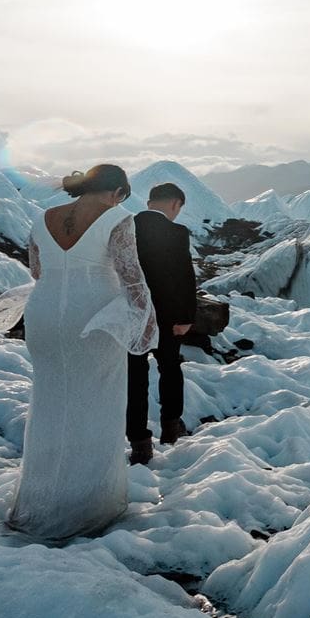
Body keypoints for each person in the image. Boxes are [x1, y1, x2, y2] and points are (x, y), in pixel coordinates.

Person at [0, 164, 158, 540]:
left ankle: (40, 497)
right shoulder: (118, 218)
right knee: (98, 403)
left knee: (49, 402)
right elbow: (131, 275)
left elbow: (36, 270)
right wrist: (145, 319)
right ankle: (87, 506)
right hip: (93, 312)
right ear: (116, 192)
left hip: (44, 315)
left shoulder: (43, 217)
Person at [128, 182, 197, 464]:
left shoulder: (127, 226)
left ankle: (139, 441)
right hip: (167, 316)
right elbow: (184, 276)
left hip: (132, 313)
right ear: (175, 204)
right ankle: (170, 427)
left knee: (135, 376)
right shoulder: (176, 232)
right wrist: (186, 317)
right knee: (169, 368)